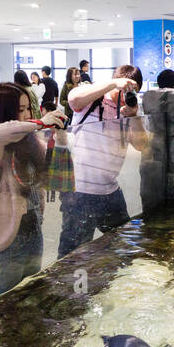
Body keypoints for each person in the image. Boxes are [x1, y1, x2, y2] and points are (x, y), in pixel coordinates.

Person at [0, 84, 66, 297]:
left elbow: (53, 172)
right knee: (0, 305)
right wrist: (39, 123)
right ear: (1, 112)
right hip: (5, 239)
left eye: (28, 109)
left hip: (33, 232)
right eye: (18, 111)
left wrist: (58, 135)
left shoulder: (28, 140)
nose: (25, 115)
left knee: (30, 296)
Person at [57, 64, 147, 257]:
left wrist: (134, 116)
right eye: (127, 90)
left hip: (110, 190)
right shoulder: (94, 100)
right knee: (71, 256)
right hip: (80, 192)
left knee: (126, 246)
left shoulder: (126, 112)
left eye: (134, 92)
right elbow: (74, 98)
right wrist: (114, 83)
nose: (128, 95)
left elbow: (141, 144)